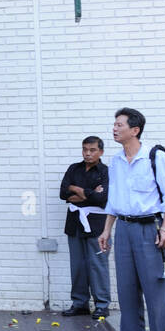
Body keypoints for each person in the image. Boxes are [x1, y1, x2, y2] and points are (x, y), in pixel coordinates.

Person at [99, 108, 165, 331]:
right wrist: (107, 230)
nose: (114, 128)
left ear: (135, 130)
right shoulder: (116, 160)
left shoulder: (155, 157)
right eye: (114, 124)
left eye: (119, 124)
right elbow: (113, 200)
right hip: (124, 228)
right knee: (127, 289)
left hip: (150, 229)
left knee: (155, 292)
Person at [59, 136, 111, 317]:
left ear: (101, 152)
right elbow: (63, 193)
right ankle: (79, 303)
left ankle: (102, 304)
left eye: (92, 150)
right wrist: (87, 193)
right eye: (85, 149)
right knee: (78, 265)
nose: (87, 153)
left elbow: (102, 198)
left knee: (98, 265)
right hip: (74, 222)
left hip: (97, 224)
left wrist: (77, 190)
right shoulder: (74, 168)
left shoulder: (105, 172)